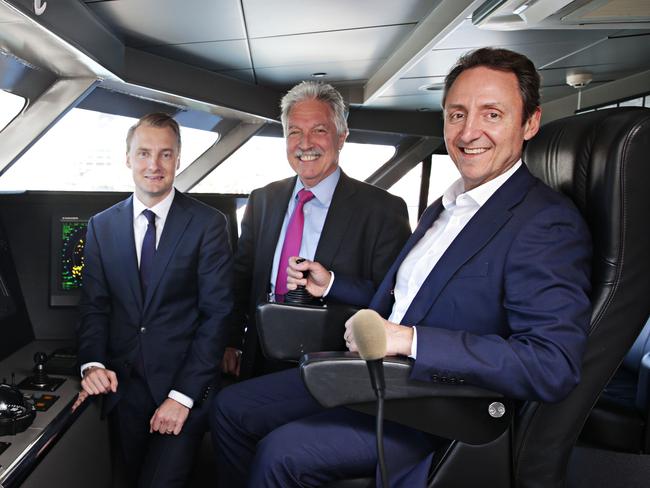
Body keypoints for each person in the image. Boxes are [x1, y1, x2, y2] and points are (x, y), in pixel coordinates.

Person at [212, 47, 592, 487]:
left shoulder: (545, 222)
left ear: (529, 123)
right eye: (456, 115)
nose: (469, 132)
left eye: (492, 115)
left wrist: (409, 340)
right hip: (375, 376)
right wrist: (334, 285)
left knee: (280, 454)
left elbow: (552, 364)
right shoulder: (446, 207)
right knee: (230, 410)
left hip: (434, 404)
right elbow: (400, 301)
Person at [76, 113, 233, 487]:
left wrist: (182, 396)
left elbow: (218, 315)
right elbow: (95, 305)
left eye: (166, 154)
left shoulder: (208, 224)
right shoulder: (101, 225)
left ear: (178, 159)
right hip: (123, 392)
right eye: (144, 153)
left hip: (182, 390)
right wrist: (91, 364)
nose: (154, 165)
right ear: (128, 157)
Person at [221, 81, 410, 379]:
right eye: (294, 132)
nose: (305, 143)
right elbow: (242, 281)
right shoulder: (263, 199)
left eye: (318, 130)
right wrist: (231, 342)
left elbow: (393, 298)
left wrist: (333, 282)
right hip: (260, 358)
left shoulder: (383, 210)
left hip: (335, 364)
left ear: (342, 136)